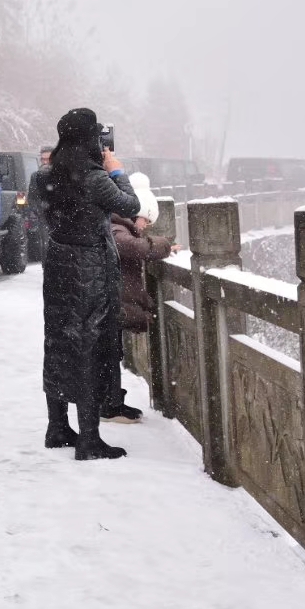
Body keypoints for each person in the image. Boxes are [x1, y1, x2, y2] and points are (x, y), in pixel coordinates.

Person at [38, 108, 143, 460]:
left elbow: (42, 212)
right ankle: (89, 439)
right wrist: (118, 171)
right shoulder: (94, 177)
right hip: (90, 267)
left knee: (57, 340)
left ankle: (57, 427)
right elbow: (130, 205)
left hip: (58, 264)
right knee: (90, 344)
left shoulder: (44, 176)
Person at [104, 174, 177, 423]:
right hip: (108, 300)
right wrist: (163, 245)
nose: (145, 226)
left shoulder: (118, 224)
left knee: (112, 353)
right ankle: (109, 405)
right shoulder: (116, 226)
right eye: (146, 219)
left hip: (112, 299)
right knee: (109, 354)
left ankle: (113, 401)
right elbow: (131, 246)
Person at [25, 146, 53, 258]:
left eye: (48, 159)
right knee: (46, 247)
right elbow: (31, 197)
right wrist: (39, 209)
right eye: (43, 159)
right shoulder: (35, 176)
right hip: (44, 218)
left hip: (62, 219)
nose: (45, 162)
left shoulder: (63, 175)